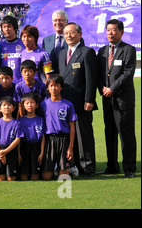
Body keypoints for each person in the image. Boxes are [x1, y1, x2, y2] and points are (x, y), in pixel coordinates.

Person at [97, 19, 137, 178]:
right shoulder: (101, 51)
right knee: (110, 134)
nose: (110, 33)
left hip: (122, 101)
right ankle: (112, 166)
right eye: (108, 30)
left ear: (121, 32)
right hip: (107, 101)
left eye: (113, 30)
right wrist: (102, 89)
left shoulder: (129, 50)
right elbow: (99, 74)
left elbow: (128, 73)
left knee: (126, 135)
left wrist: (112, 89)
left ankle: (129, 168)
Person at [58, 22, 97, 177]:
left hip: (81, 103)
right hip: (66, 103)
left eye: (72, 32)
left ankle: (87, 166)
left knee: (84, 136)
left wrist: (89, 100)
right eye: (66, 33)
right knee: (70, 136)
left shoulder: (86, 52)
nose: (69, 35)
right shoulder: (61, 53)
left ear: (80, 34)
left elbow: (91, 79)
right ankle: (74, 166)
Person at [40, 74, 76, 181]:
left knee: (64, 177)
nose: (53, 88)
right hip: (49, 139)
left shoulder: (68, 105)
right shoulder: (43, 104)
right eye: (51, 85)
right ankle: (54, 168)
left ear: (61, 87)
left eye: (56, 85)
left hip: (63, 139)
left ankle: (67, 167)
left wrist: (70, 148)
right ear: (48, 88)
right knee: (46, 177)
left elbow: (72, 127)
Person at [0, 96, 23, 181]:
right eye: (4, 105)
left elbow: (17, 139)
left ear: (14, 108)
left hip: (11, 150)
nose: (6, 107)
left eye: (9, 105)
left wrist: (5, 151)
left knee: (11, 177)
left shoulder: (17, 123)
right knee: (0, 176)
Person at [18, 93, 45, 181]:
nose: (30, 105)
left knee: (35, 173)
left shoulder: (40, 120)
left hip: (36, 148)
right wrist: (18, 153)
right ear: (23, 106)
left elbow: (43, 137)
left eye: (32, 103)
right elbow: (18, 139)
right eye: (27, 103)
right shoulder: (21, 120)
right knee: (24, 174)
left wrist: (42, 152)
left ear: (37, 105)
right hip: (24, 147)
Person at [0, 15, 25, 83]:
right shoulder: (0, 45)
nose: (6, 29)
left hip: (19, 83)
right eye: (4, 27)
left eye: (9, 26)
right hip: (5, 85)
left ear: (15, 28)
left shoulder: (23, 44)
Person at [42, 10, 69, 74]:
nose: (57, 22)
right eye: (55, 20)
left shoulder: (73, 39)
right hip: (51, 80)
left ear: (66, 22)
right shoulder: (46, 40)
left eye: (60, 20)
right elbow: (44, 62)